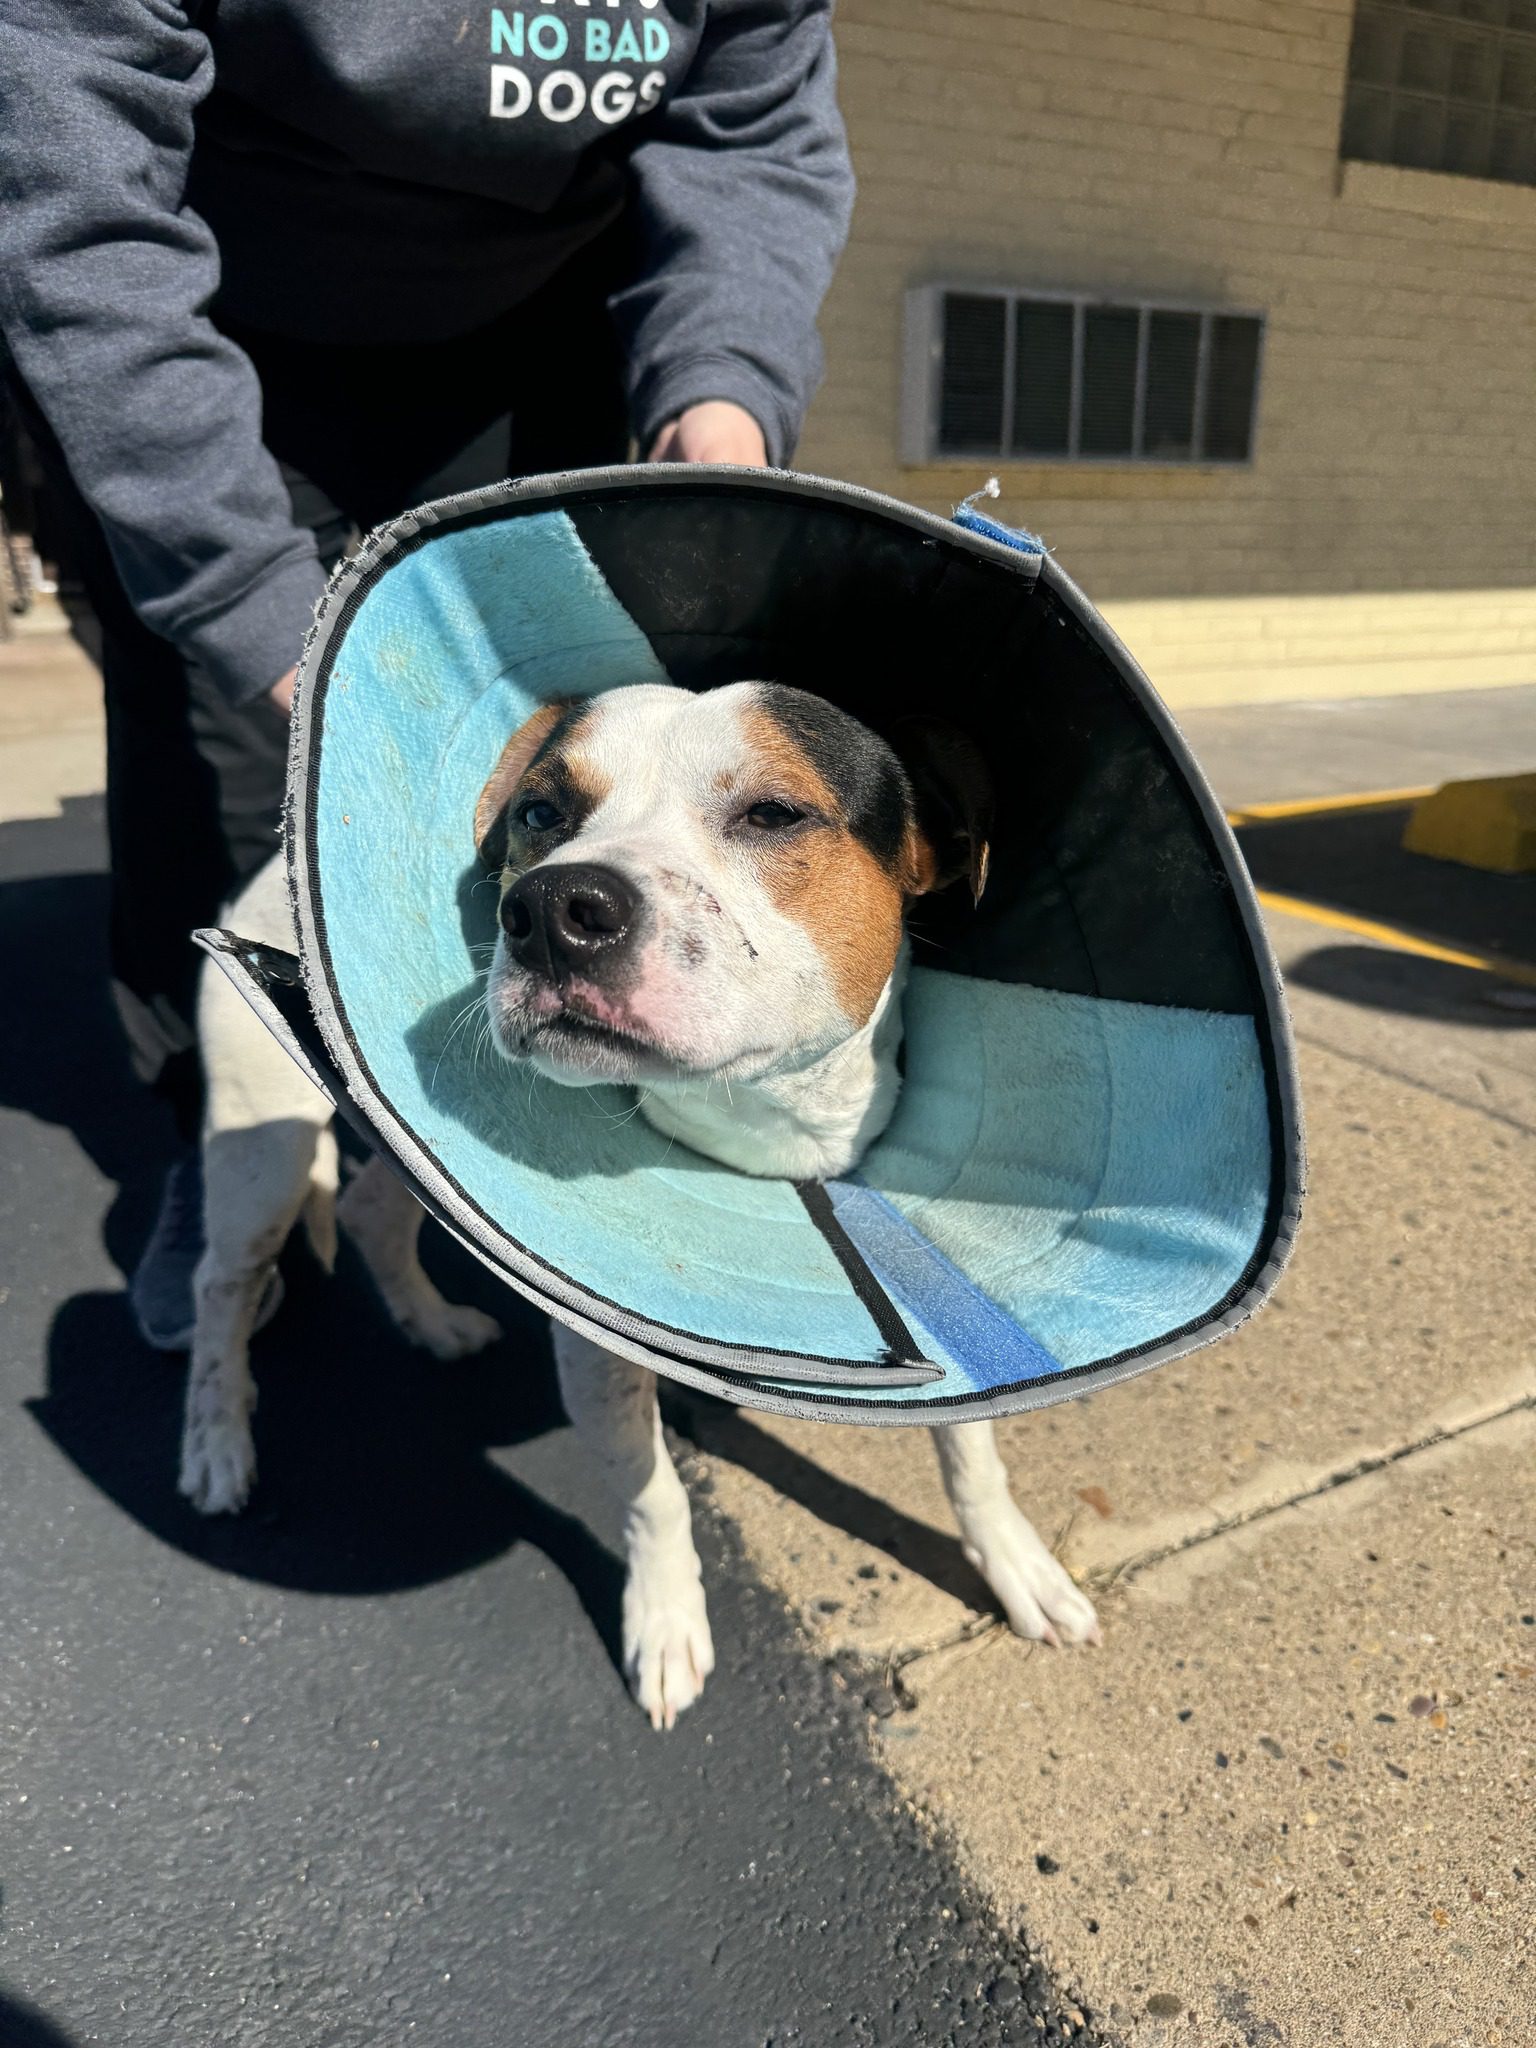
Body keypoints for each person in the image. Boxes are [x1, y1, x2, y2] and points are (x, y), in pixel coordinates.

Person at [0, 0, 854, 1345]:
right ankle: (220, 1141)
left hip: (537, 332)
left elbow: (751, 130)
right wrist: (252, 613)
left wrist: (719, 400)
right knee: (236, 791)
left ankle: (526, 1132)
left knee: (551, 788)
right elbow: (77, 192)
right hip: (217, 313)